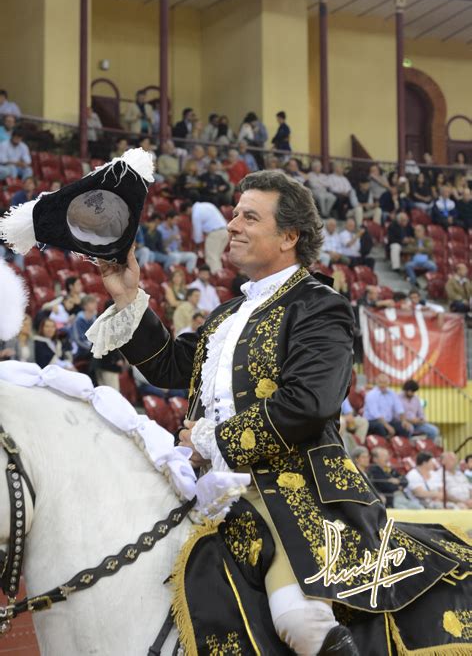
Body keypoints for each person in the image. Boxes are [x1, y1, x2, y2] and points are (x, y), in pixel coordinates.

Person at [88, 169, 472, 655]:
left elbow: (308, 405)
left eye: (250, 216)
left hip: (297, 494)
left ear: (290, 236)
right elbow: (169, 365)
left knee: (299, 618)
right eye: (233, 214)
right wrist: (126, 295)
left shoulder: (320, 306)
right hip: (214, 492)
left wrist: (208, 440)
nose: (232, 225)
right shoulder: (227, 315)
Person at [182, 201, 228, 274]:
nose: (188, 215)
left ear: (188, 209)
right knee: (216, 258)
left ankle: (215, 277)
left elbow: (198, 235)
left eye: (186, 213)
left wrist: (196, 245)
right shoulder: (207, 204)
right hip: (225, 231)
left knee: (211, 258)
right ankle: (220, 276)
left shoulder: (195, 214)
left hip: (215, 233)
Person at [363, 373, 413, 437]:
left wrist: (403, 421)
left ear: (388, 383)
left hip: (388, 421)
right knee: (380, 427)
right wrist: (388, 427)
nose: (383, 385)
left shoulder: (392, 393)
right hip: (372, 422)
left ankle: (401, 446)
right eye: (381, 382)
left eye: (385, 382)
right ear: (376, 382)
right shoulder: (371, 395)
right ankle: (384, 445)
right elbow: (377, 416)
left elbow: (400, 409)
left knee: (404, 427)